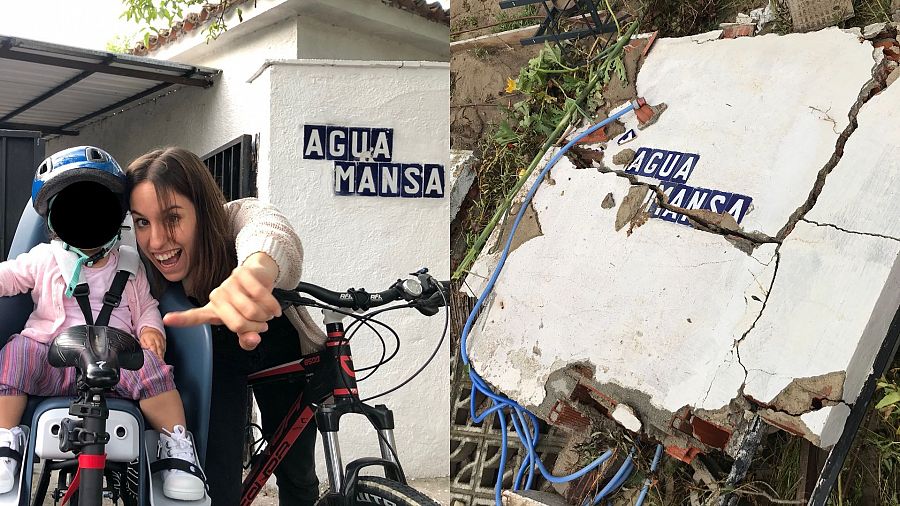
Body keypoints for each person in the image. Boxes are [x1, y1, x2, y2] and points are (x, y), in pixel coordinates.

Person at [0, 146, 206, 501]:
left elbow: (146, 307)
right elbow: (10, 277)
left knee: (153, 368)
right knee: (15, 353)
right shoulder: (45, 258)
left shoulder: (129, 265)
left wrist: (149, 330)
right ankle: (4, 441)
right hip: (52, 358)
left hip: (115, 363)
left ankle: (175, 447)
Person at [125, 147, 325, 505]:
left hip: (274, 341)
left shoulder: (235, 217)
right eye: (142, 221)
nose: (156, 241)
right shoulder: (136, 264)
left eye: (172, 218)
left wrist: (256, 271)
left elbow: (271, 231)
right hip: (207, 352)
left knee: (299, 475)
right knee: (217, 478)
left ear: (203, 210)